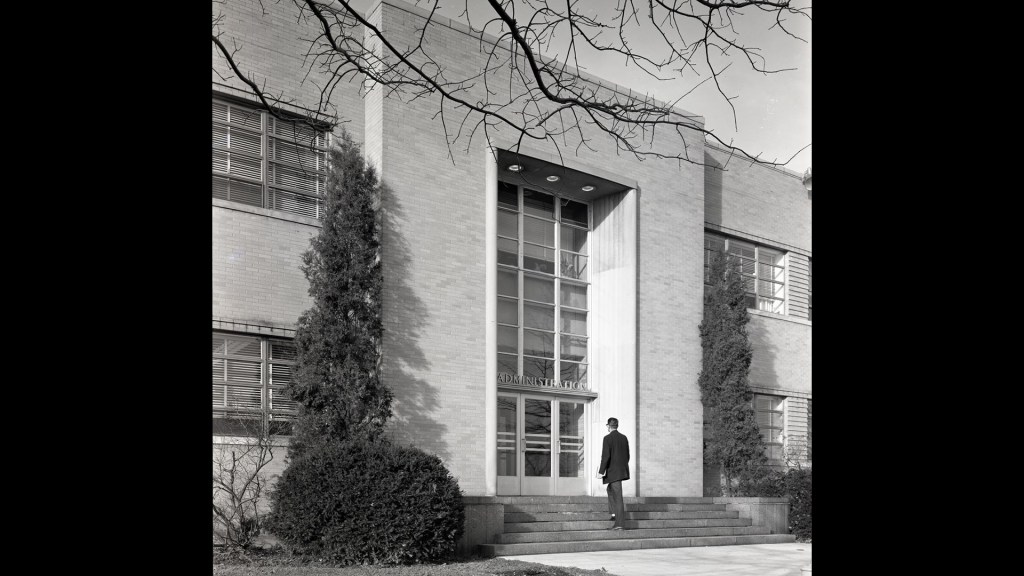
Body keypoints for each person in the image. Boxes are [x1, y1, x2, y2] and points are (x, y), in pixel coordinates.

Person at [597, 417, 629, 530]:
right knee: (610, 490)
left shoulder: (607, 438)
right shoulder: (624, 438)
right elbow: (627, 456)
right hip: (621, 470)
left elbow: (605, 456)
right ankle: (614, 514)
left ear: (608, 426)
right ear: (617, 426)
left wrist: (601, 472)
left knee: (618, 496)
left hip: (614, 472)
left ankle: (619, 524)